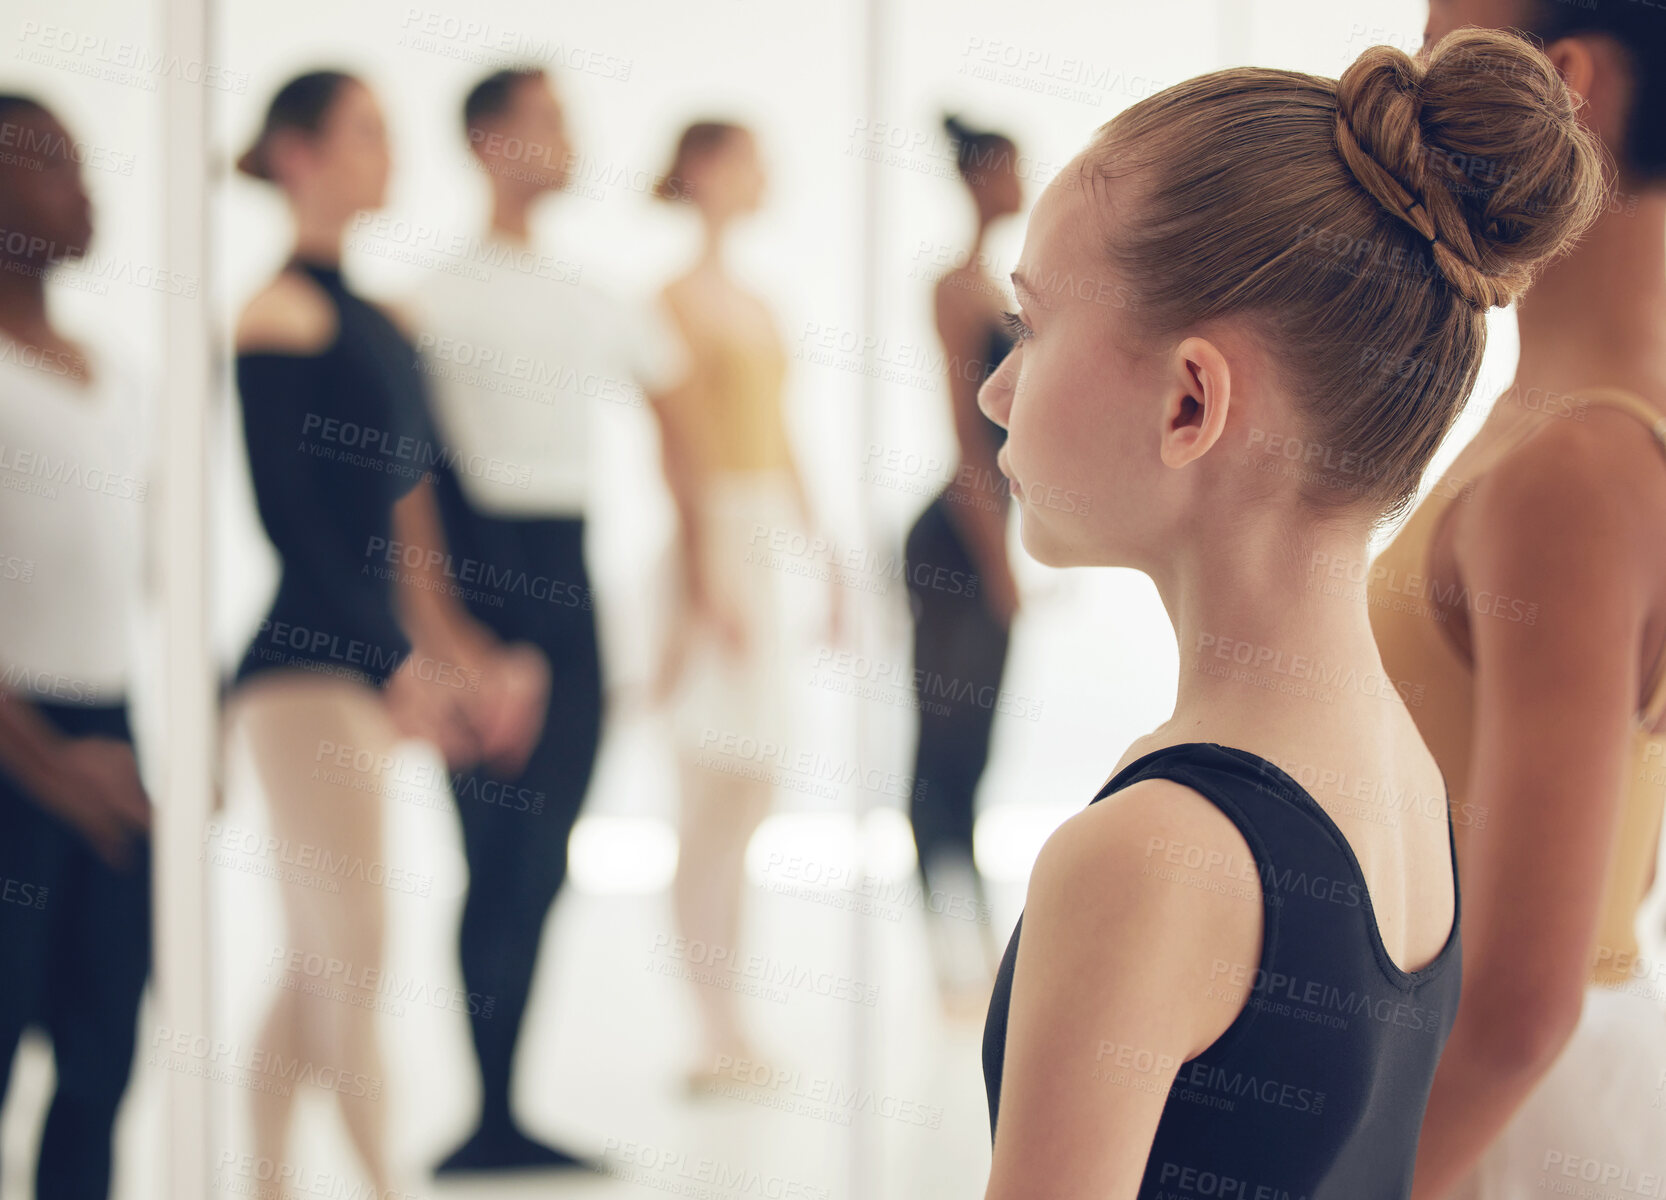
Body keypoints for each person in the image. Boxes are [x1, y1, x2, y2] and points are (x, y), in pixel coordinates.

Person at [978, 28, 1604, 1197]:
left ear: (1189, 401)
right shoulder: (1402, 777)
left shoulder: (1148, 855)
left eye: (1031, 327)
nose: (994, 390)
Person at [225, 70, 547, 1195]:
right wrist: (395, 662)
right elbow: (295, 530)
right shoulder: (277, 314)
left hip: (360, 669)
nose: (388, 151)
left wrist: (453, 654)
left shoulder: (375, 319)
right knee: (352, 955)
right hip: (301, 675)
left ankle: (264, 1181)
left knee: (322, 959)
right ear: (298, 153)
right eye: (366, 131)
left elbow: (409, 524)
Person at [1369, 5, 1666, 1196]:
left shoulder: (1577, 468)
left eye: (1440, 49)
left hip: (1500, 1125)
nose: (1394, 86)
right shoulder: (1558, 422)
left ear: (1566, 87)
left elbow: (1521, 1006)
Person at [405, 65, 686, 1172]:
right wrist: (444, 637)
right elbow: (409, 483)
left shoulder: (593, 297)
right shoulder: (432, 299)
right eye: (548, 121)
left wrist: (688, 596)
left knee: (545, 861)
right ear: (486, 141)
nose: (569, 139)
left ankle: (503, 1111)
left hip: (567, 595)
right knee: (492, 855)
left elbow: (685, 437)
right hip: (484, 589)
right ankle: (486, 1113)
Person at [647, 120, 837, 1093]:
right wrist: (703, 575)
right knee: (707, 797)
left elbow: (784, 437)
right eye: (752, 157)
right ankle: (708, 1025)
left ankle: (732, 1017)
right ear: (709, 169)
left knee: (752, 794)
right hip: (710, 543)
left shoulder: (758, 303)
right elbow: (678, 454)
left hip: (759, 547)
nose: (766, 173)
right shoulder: (672, 301)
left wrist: (828, 559)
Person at [0, 92, 153, 1200]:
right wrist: (46, 764)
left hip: (112, 728)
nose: (84, 189)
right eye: (52, 164)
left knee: (105, 1053)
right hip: (18, 741)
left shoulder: (119, 376)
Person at [904, 114, 1023, 1014]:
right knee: (942, 748)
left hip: (982, 541)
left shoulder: (1005, 288)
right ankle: (949, 957)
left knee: (972, 753)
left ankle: (970, 948)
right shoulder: (954, 289)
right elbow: (968, 444)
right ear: (980, 179)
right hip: (953, 542)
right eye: (1010, 169)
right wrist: (1000, 562)